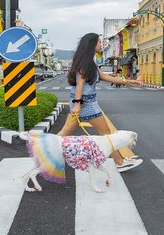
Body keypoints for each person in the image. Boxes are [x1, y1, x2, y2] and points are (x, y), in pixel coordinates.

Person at [58, 33, 143, 173]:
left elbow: (103, 76)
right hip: (86, 104)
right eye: (99, 42)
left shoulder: (90, 62)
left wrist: (127, 81)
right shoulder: (85, 63)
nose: (101, 45)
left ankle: (45, 153)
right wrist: (77, 105)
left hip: (85, 102)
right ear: (92, 44)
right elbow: (80, 84)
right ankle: (119, 162)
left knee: (66, 131)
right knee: (106, 133)